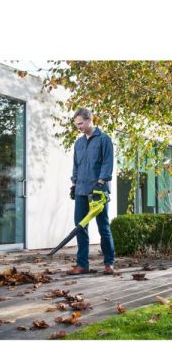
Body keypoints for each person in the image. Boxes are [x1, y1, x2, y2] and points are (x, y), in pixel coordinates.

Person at [66, 108, 115, 275]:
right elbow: (76, 165)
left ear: (89, 120)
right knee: (80, 227)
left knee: (103, 227)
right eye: (76, 124)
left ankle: (109, 263)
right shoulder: (78, 143)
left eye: (80, 123)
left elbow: (107, 162)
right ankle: (82, 265)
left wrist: (100, 183)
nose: (78, 127)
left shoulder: (104, 139)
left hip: (98, 192)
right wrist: (74, 184)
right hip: (81, 190)